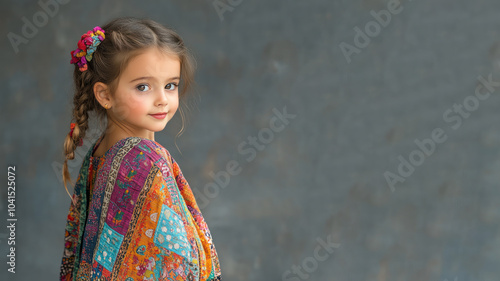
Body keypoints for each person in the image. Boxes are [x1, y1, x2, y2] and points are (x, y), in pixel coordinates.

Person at [59, 17, 221, 280]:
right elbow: (177, 263)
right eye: (143, 87)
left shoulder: (100, 153)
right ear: (105, 95)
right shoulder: (144, 161)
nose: (162, 100)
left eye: (171, 85)